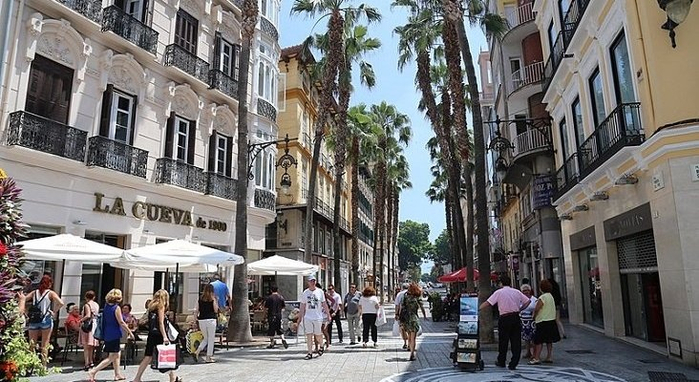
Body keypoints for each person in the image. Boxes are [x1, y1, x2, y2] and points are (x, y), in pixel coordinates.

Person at [479, 275, 531, 370]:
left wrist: (478, 308)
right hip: (515, 317)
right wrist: (520, 309)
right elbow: (527, 301)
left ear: (501, 283)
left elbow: (489, 302)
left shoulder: (499, 292)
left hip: (504, 318)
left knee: (503, 340)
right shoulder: (516, 292)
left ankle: (501, 360)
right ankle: (514, 362)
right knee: (516, 340)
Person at [132, 289, 181, 382]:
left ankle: (137, 378)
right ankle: (173, 378)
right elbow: (161, 323)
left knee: (148, 356)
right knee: (165, 355)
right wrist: (165, 336)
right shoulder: (161, 306)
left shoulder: (151, 307)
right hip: (159, 334)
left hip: (152, 334)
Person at [87, 289, 134, 382]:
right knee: (112, 356)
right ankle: (93, 371)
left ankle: (117, 374)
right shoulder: (116, 308)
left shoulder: (106, 306)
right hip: (114, 334)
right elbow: (121, 322)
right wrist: (130, 332)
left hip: (107, 333)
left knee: (117, 354)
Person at [24, 275, 64, 366]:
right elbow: (61, 303)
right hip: (45, 319)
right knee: (45, 344)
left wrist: (26, 312)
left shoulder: (34, 292)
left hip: (34, 319)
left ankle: (31, 364)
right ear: (49, 283)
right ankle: (43, 365)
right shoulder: (50, 293)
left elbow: (24, 299)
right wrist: (53, 311)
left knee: (32, 343)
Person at [530, 279, 561, 365]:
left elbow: (537, 308)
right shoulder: (551, 296)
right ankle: (549, 356)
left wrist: (534, 316)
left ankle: (536, 358)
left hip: (542, 320)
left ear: (541, 288)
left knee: (538, 340)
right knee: (549, 340)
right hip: (551, 320)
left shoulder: (542, 297)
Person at [298, 275, 330, 360]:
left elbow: (324, 304)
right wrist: (300, 317)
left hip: (318, 317)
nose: (312, 283)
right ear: (308, 282)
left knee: (318, 334)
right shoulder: (305, 293)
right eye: (311, 281)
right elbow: (302, 306)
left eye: (314, 281)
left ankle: (321, 345)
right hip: (308, 317)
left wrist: (328, 315)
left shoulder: (320, 292)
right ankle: (309, 352)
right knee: (309, 335)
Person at [194, 283, 219, 363]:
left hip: (202, 320)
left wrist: (195, 320)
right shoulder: (213, 299)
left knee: (206, 338)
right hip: (211, 320)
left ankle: (198, 351)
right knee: (211, 339)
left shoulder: (200, 299)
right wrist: (215, 300)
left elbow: (196, 310)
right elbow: (215, 310)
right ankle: (208, 357)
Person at [401, 283, 427, 361]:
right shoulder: (417, 298)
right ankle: (412, 353)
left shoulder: (405, 297)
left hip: (407, 319)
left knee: (409, 335)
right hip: (414, 318)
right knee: (413, 338)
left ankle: (409, 346)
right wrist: (425, 316)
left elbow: (402, 307)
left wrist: (399, 317)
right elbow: (422, 307)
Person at [79, 290, 99, 371]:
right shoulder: (96, 304)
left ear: (85, 297)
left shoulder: (87, 305)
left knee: (86, 345)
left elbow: (87, 315)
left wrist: (80, 320)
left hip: (87, 326)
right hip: (94, 325)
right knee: (91, 345)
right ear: (94, 297)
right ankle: (91, 361)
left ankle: (86, 363)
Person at [519, 284, 538, 359]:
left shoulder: (534, 299)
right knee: (526, 338)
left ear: (530, 291)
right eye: (524, 291)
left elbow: (536, 309)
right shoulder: (520, 300)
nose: (526, 292)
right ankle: (528, 352)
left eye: (527, 290)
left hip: (532, 321)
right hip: (523, 320)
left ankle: (534, 353)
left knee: (533, 338)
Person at [394, 283, 409, 350]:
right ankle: (410, 343)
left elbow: (397, 305)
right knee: (410, 328)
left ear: (402, 287)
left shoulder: (399, 294)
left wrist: (396, 314)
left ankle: (405, 342)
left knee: (403, 328)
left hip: (402, 314)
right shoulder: (411, 293)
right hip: (410, 314)